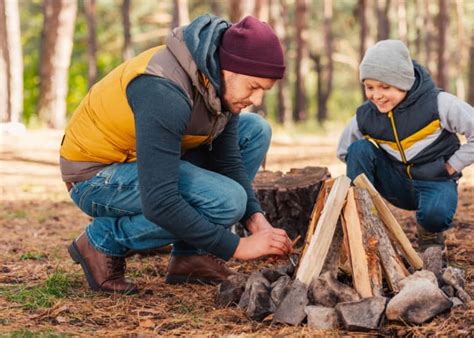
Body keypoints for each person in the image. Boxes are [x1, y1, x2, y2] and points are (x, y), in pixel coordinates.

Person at [60, 14, 293, 294]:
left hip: (146, 162)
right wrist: (238, 246)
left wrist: (257, 221)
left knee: (255, 130)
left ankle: (190, 255)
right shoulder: (163, 89)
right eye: (253, 87)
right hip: (95, 176)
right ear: (227, 67)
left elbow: (227, 161)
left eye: (264, 91)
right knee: (226, 202)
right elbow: (160, 200)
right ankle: (103, 239)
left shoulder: (218, 84)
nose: (257, 100)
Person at [337, 40, 473, 255]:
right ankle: (362, 221)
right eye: (369, 87)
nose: (376, 95)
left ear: (404, 83)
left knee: (435, 215)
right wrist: (370, 175)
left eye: (385, 87)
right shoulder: (366, 115)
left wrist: (452, 165)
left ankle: (429, 233)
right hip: (396, 182)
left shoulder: (439, 103)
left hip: (434, 179)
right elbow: (345, 150)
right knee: (359, 149)